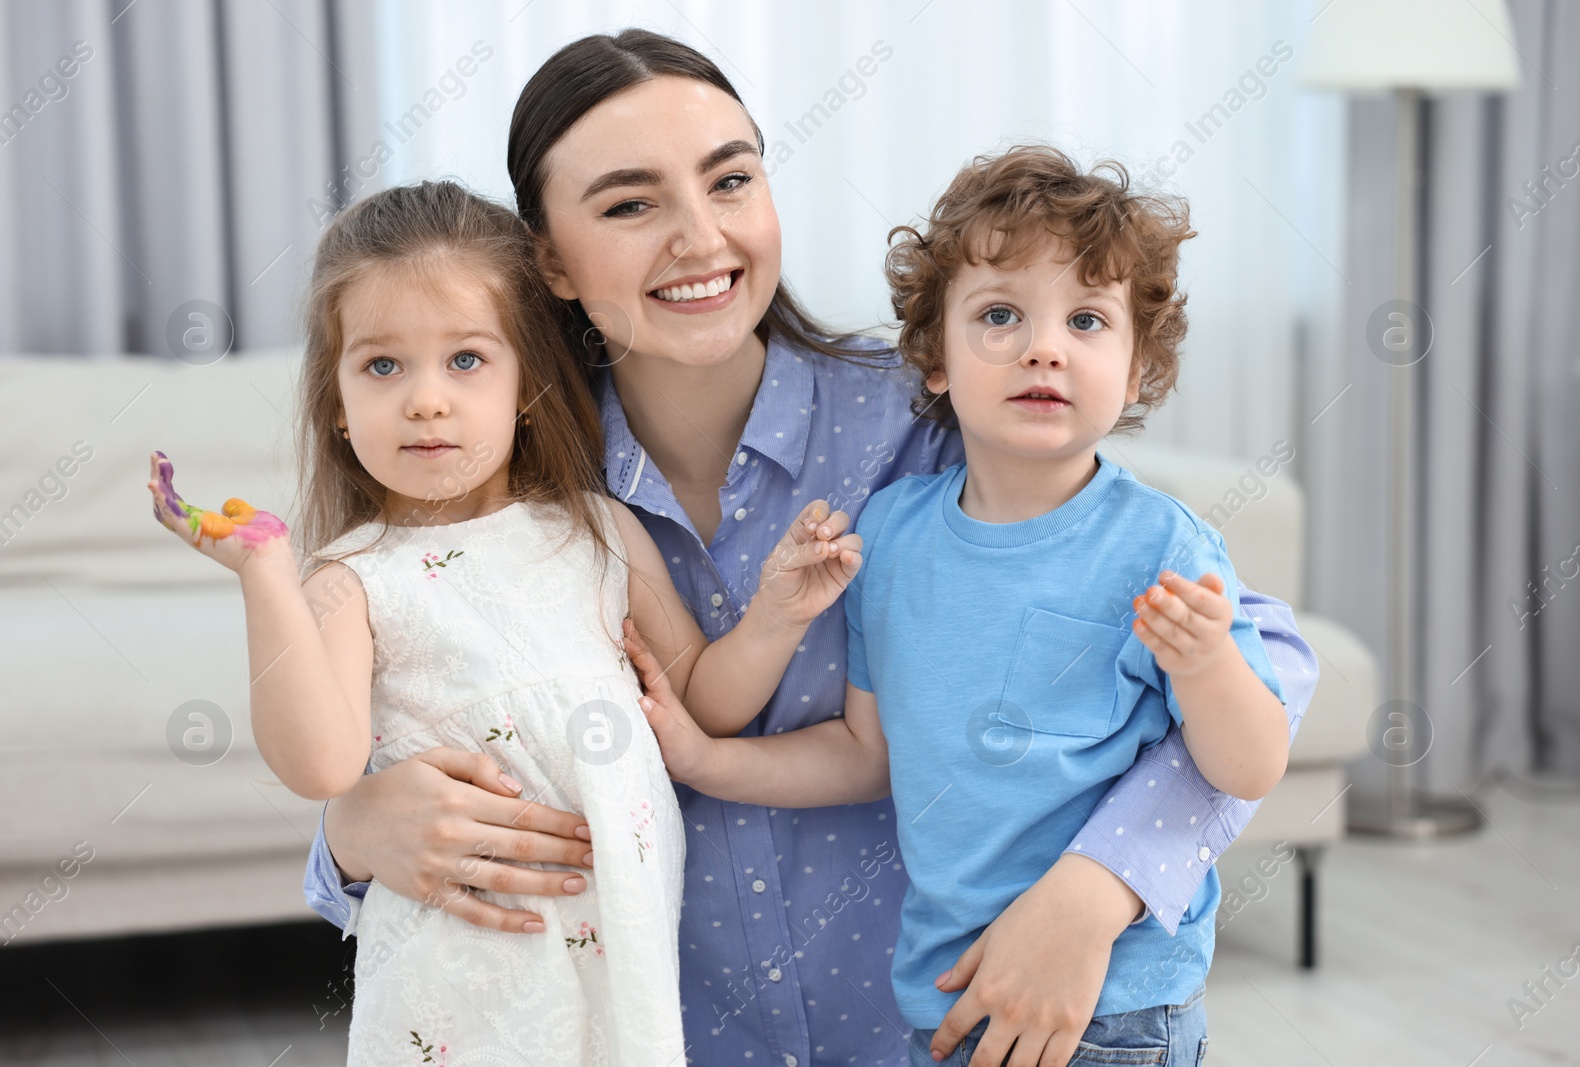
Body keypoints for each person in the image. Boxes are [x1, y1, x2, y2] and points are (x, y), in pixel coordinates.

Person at [304, 29, 1320, 1067]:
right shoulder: (506, 488)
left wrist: (1094, 889)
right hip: (671, 1034)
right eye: (630, 203)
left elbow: (1265, 668)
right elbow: (410, 707)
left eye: (730, 180)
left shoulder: (935, 414)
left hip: (951, 1022)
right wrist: (350, 836)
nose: (701, 237)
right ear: (550, 261)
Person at [147, 179, 859, 1065]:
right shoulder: (354, 578)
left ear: (526, 379)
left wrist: (780, 613)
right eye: (381, 366)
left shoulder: (598, 529)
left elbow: (706, 699)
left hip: (624, 948)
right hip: (462, 960)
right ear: (335, 402)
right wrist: (265, 575)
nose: (426, 400)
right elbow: (320, 762)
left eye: (466, 360)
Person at [626, 144, 1287, 1067]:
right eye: (1000, 315)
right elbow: (865, 754)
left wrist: (1210, 667)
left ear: (1137, 372)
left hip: (1111, 1010)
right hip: (940, 1002)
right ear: (934, 362)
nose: (1043, 346)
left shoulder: (1161, 547)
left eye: (1088, 320)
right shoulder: (890, 536)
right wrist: (705, 758)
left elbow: (1248, 764)